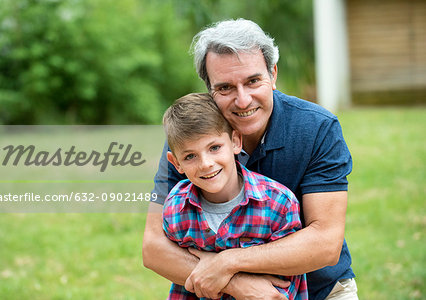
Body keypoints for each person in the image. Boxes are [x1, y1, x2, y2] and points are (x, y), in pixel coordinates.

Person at [143, 19, 358, 300]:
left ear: (273, 74)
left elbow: (325, 243)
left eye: (253, 81)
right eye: (225, 88)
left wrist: (228, 262)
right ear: (210, 90)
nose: (243, 100)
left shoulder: (317, 128)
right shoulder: (191, 140)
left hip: (320, 290)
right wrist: (234, 284)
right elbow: (153, 248)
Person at [161, 93, 308, 300]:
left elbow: (281, 288)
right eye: (190, 156)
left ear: (235, 141)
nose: (205, 163)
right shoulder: (176, 207)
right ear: (176, 163)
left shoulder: (279, 204)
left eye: (214, 148)